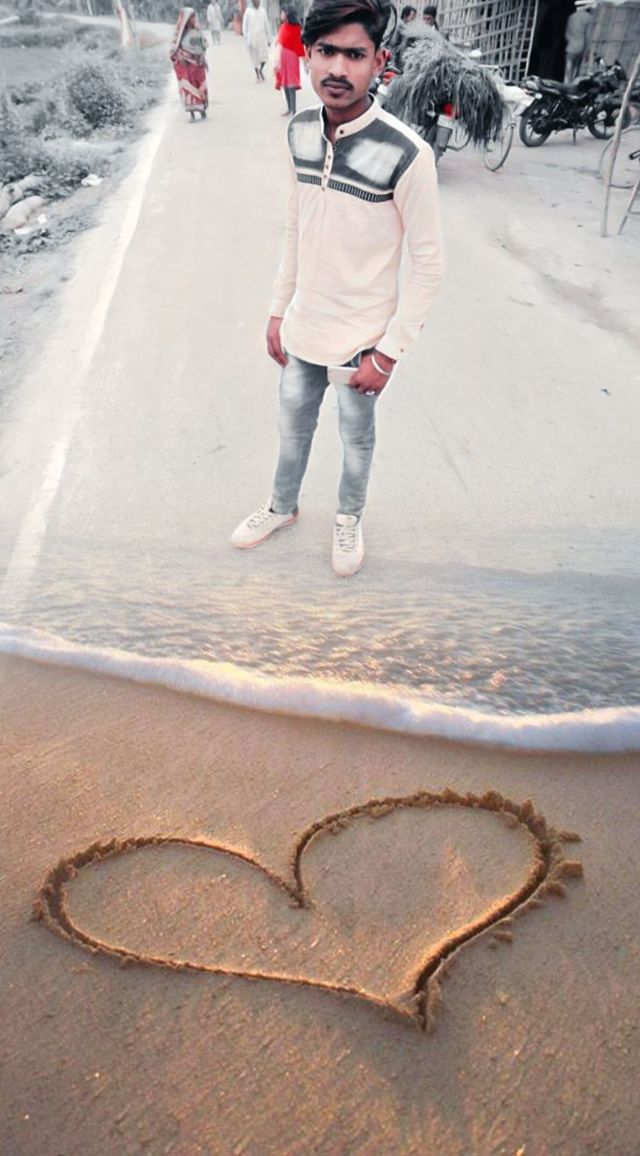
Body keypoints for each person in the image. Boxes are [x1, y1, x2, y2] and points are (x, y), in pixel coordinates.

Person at [231, 0, 444, 577]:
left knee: (356, 440)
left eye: (355, 54)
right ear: (307, 54)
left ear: (380, 60)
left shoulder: (409, 154)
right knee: (292, 429)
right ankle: (282, 507)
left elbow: (429, 265)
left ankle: (348, 518)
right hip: (305, 326)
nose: (337, 68)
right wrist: (279, 309)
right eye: (326, 51)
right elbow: (296, 225)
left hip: (362, 342)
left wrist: (388, 352)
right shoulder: (299, 130)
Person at [170, 8, 209, 119]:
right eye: (191, 17)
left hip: (198, 64)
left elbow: (204, 44)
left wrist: (202, 56)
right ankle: (191, 112)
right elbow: (173, 50)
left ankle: (202, 109)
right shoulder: (179, 34)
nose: (193, 19)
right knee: (188, 87)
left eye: (194, 16)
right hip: (187, 65)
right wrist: (181, 57)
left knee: (200, 86)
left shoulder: (197, 31)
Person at [275, 7, 306, 116]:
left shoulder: (296, 28)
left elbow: (299, 44)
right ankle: (289, 108)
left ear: (287, 14)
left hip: (292, 57)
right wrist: (276, 60)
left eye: (282, 12)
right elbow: (279, 43)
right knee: (285, 83)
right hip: (282, 57)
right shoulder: (282, 27)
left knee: (291, 84)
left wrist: (305, 62)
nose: (281, 14)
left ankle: (294, 110)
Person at [242, 0, 272, 80]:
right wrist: (246, 37)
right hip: (252, 39)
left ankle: (261, 70)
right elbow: (245, 25)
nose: (258, 2)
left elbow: (266, 25)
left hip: (262, 39)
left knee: (264, 57)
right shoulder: (248, 11)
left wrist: (269, 39)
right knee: (254, 59)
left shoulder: (263, 11)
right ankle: (257, 73)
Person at [564, 1, 593, 83]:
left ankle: (565, 86)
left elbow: (566, 35)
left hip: (570, 46)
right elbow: (588, 36)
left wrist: (570, 41)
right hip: (581, 46)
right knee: (577, 71)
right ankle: (573, 86)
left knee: (568, 72)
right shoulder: (588, 17)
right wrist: (587, 51)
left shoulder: (571, 17)